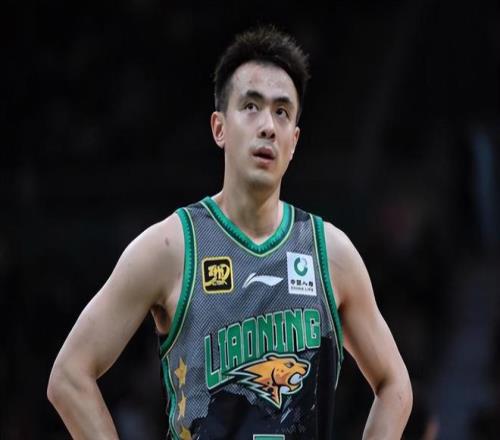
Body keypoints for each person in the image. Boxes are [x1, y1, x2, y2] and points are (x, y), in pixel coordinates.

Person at [48, 25, 412, 439]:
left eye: (282, 112)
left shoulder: (331, 254)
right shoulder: (171, 247)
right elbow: (69, 377)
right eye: (251, 106)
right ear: (219, 127)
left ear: (294, 141)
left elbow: (395, 385)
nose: (268, 126)